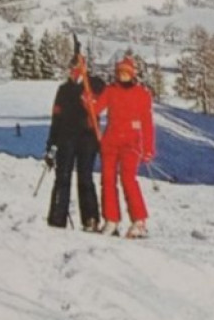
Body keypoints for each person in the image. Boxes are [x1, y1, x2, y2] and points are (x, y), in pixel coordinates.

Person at [93, 55, 157, 238]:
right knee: (107, 180)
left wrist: (148, 148)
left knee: (128, 179)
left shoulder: (142, 94)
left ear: (132, 74)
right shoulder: (110, 91)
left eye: (126, 73)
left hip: (131, 143)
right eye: (120, 72)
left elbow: (147, 123)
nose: (123, 76)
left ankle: (139, 221)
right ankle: (111, 220)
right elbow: (96, 109)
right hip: (110, 142)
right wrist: (89, 102)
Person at [43, 56, 101, 231]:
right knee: (62, 178)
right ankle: (57, 218)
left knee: (85, 178)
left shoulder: (92, 85)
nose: (73, 71)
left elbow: (103, 90)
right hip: (66, 139)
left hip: (87, 139)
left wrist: (87, 81)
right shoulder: (63, 90)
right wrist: (51, 145)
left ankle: (90, 218)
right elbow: (56, 118)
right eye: (71, 67)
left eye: (77, 67)